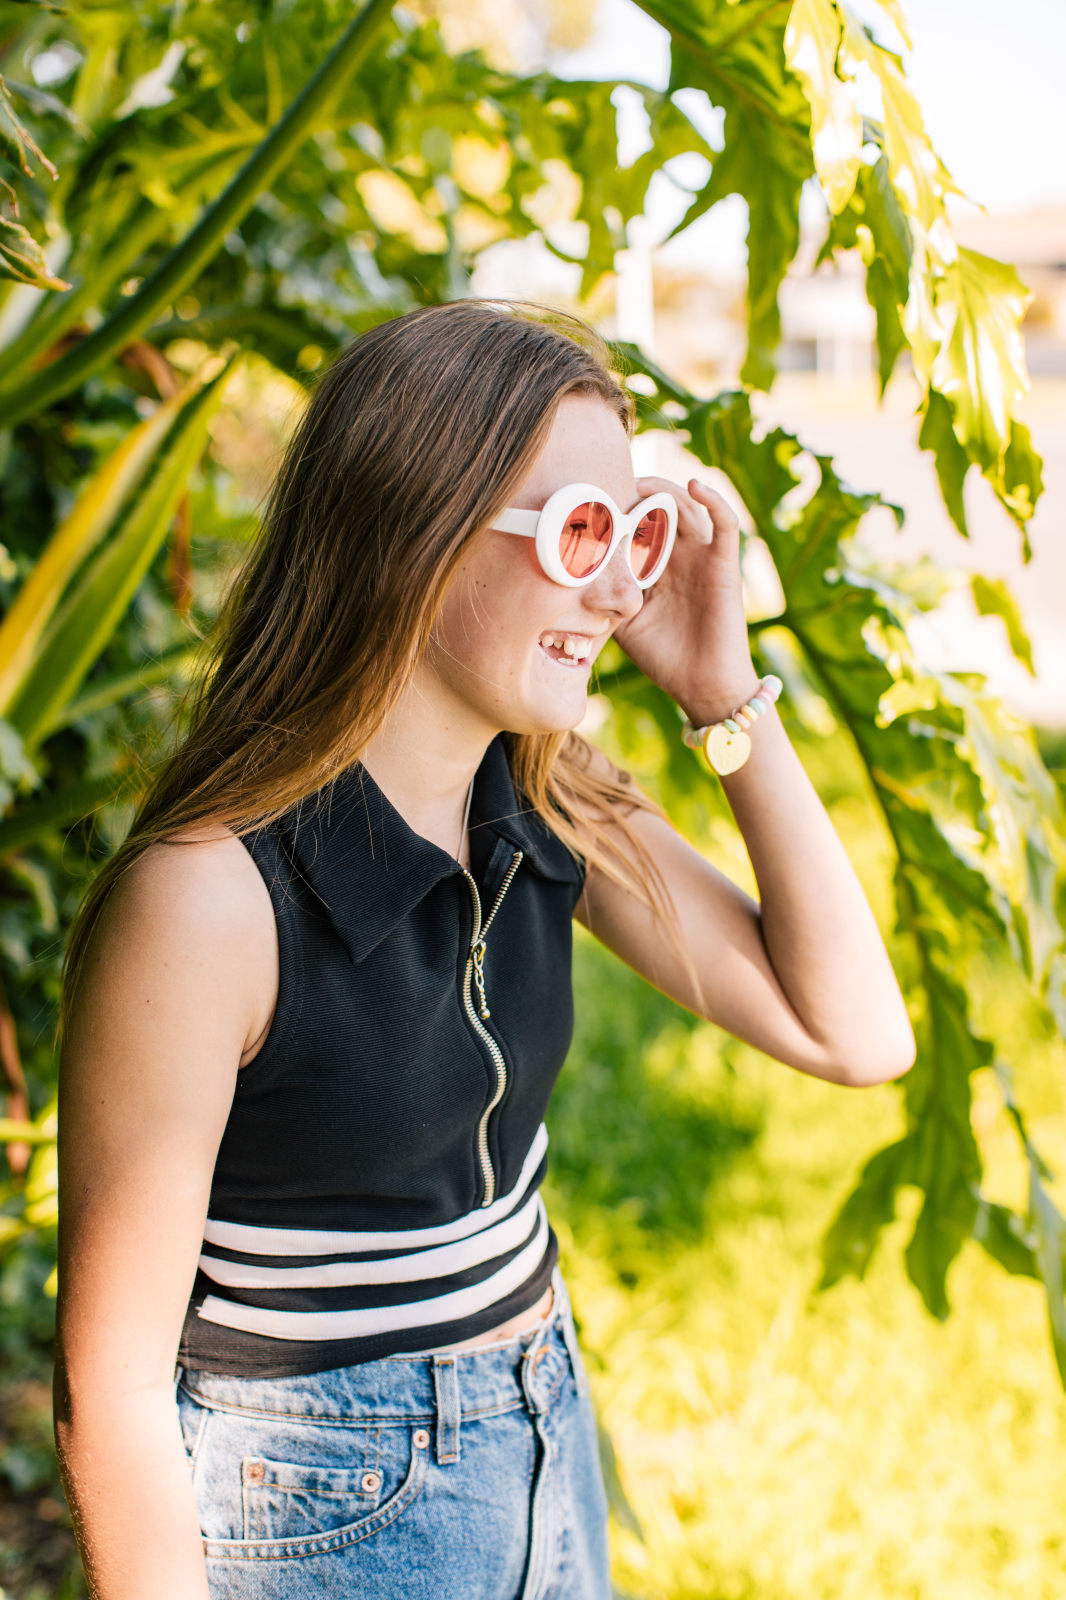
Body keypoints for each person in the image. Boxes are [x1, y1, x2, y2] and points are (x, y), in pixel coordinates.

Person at [51, 298, 916, 1600]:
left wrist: (720, 695)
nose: (621, 588)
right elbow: (110, 1394)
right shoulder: (208, 903)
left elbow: (852, 1033)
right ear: (417, 532)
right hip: (321, 1503)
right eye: (582, 531)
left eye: (634, 532)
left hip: (542, 1432)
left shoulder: (550, 798)